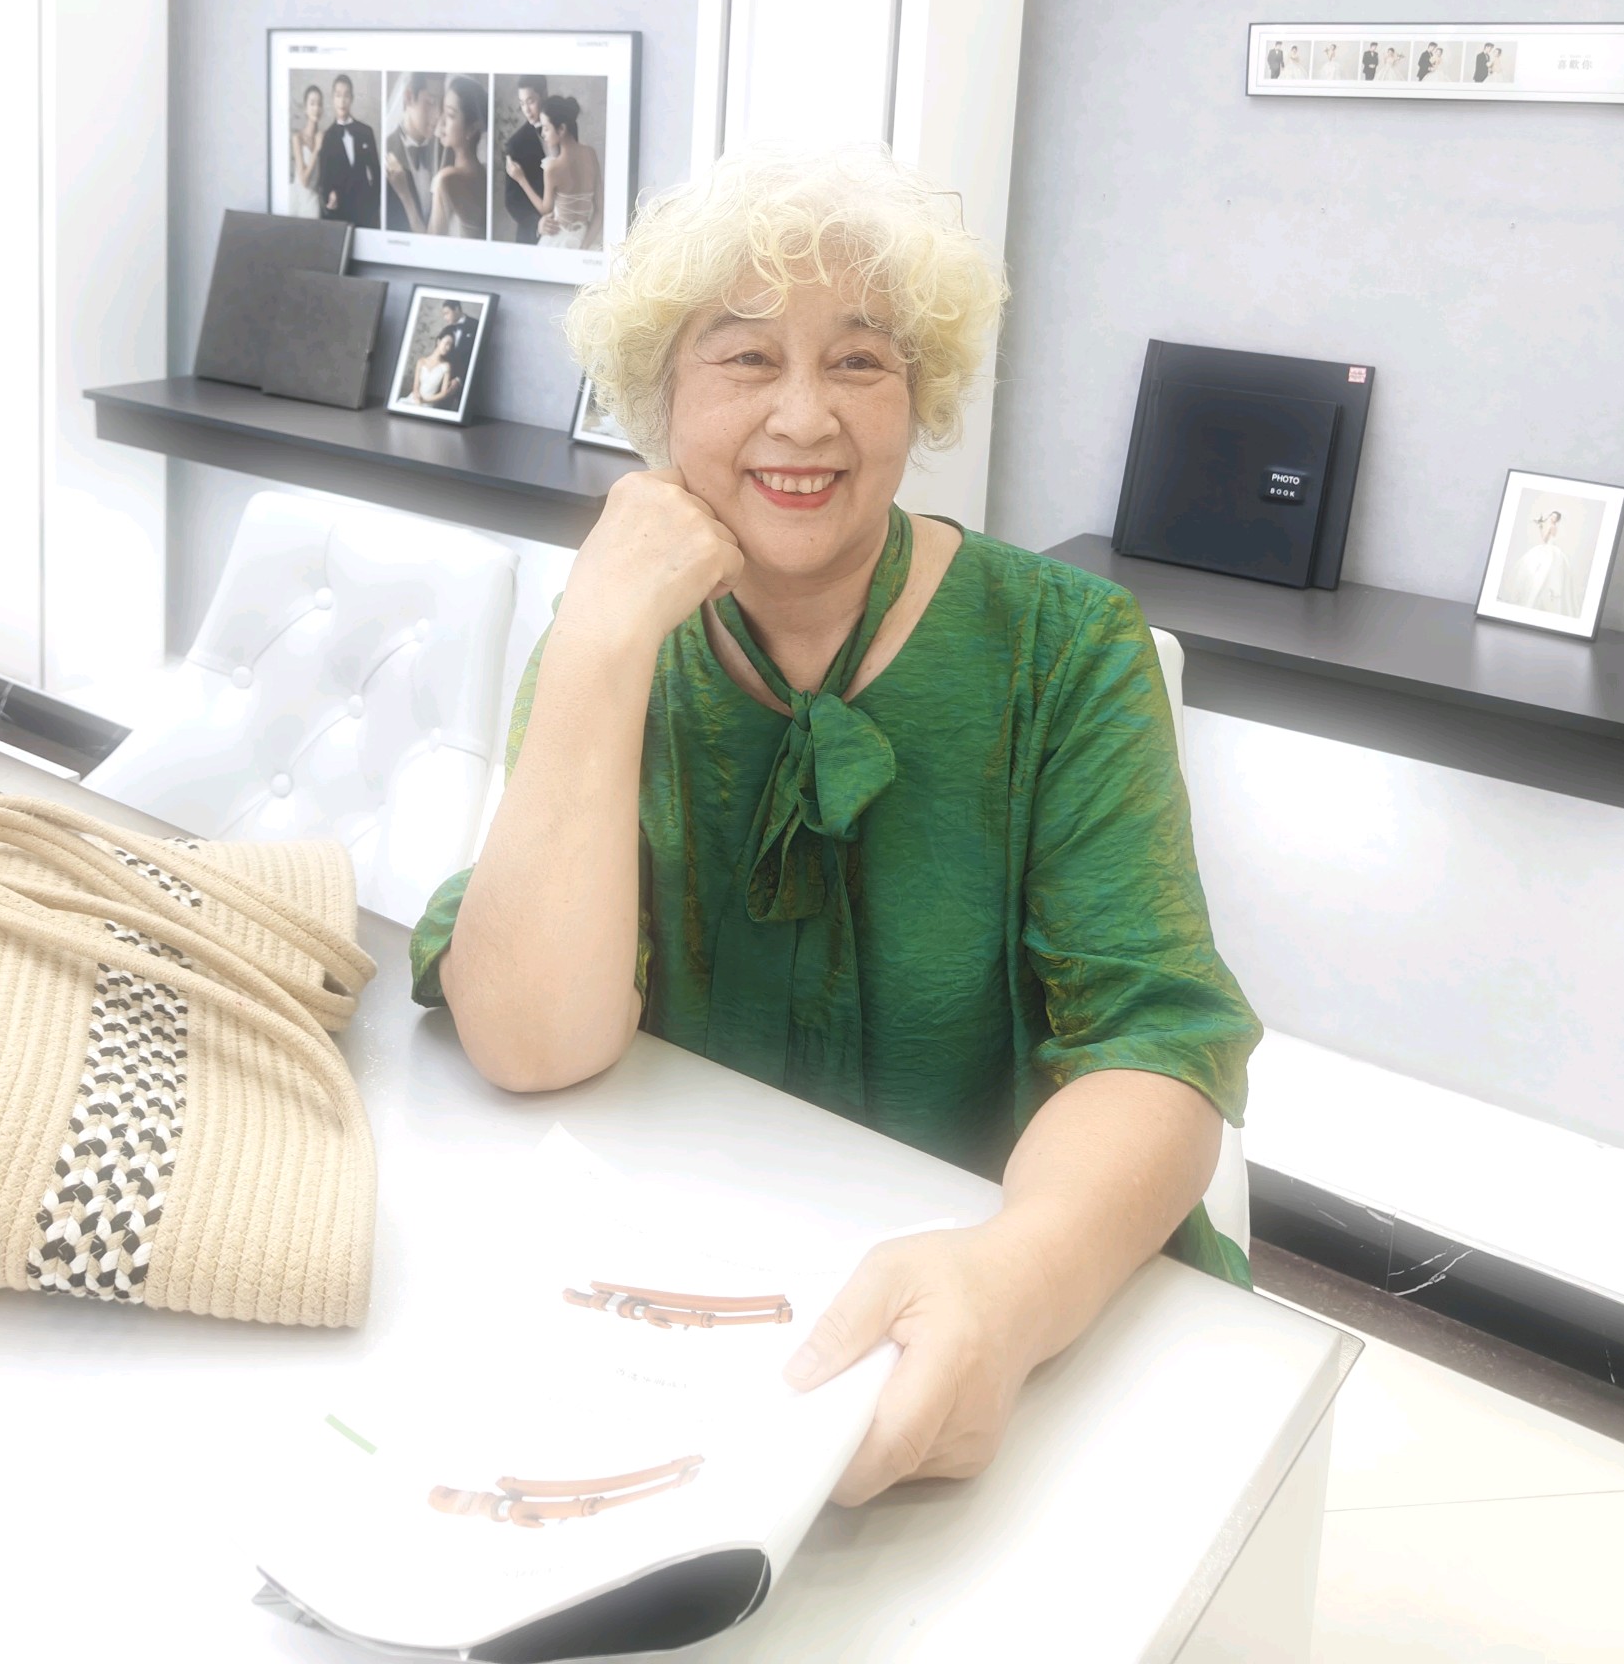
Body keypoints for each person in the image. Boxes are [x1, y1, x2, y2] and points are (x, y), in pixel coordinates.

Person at [413, 148, 1260, 1509]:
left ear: (919, 393)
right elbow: (531, 1042)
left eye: (859, 362)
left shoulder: (1065, 646)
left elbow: (1156, 1048)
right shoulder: (617, 630)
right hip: (687, 1302)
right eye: (746, 359)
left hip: (1015, 1300)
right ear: (661, 396)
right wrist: (597, 653)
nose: (804, 418)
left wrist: (1012, 1279)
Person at [516, 93, 601, 251]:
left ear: (561, 129)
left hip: (557, 240)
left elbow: (545, 209)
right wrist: (584, 247)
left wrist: (521, 180)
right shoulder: (591, 154)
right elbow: (600, 211)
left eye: (546, 128)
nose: (543, 134)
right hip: (583, 237)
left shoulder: (553, 168)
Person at [427, 76, 487, 240]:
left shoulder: (446, 179)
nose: (441, 122)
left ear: (472, 128)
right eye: (443, 112)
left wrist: (406, 196)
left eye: (450, 115)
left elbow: (428, 244)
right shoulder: (484, 172)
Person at [316, 73, 379, 226]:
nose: (342, 101)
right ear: (333, 99)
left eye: (346, 95)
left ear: (352, 98)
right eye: (338, 95)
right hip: (340, 213)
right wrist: (329, 196)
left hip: (365, 212)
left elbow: (376, 172)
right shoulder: (327, 137)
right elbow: (324, 178)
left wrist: (374, 205)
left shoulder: (366, 132)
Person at [384, 72, 443, 234]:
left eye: (442, 104)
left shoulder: (445, 150)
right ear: (409, 97)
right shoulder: (386, 150)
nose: (438, 114)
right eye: (431, 102)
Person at [501, 78, 550, 245]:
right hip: (532, 237)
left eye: (531, 101)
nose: (526, 110)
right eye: (522, 103)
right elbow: (512, 201)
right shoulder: (516, 144)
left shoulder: (563, 128)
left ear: (544, 95)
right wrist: (537, 224)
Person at [1507, 509, 1579, 615]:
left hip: (1548, 549)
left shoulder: (1551, 527)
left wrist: (1540, 528)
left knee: (1542, 573)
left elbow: (1544, 540)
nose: (1552, 518)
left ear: (1556, 520)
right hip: (1553, 549)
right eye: (1551, 516)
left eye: (1554, 517)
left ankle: (1538, 598)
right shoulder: (1555, 527)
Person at [287, 82, 326, 217]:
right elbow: (303, 180)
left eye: (319, 104)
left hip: (313, 201)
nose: (316, 108)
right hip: (297, 198)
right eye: (312, 104)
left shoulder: (323, 137)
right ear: (305, 108)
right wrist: (316, 149)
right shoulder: (297, 138)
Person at [409, 323, 463, 414]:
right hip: (413, 399)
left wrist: (424, 401)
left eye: (450, 345)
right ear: (438, 341)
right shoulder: (421, 361)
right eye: (446, 343)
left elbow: (443, 393)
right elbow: (416, 386)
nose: (448, 348)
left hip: (428, 404)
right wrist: (417, 399)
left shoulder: (446, 366)